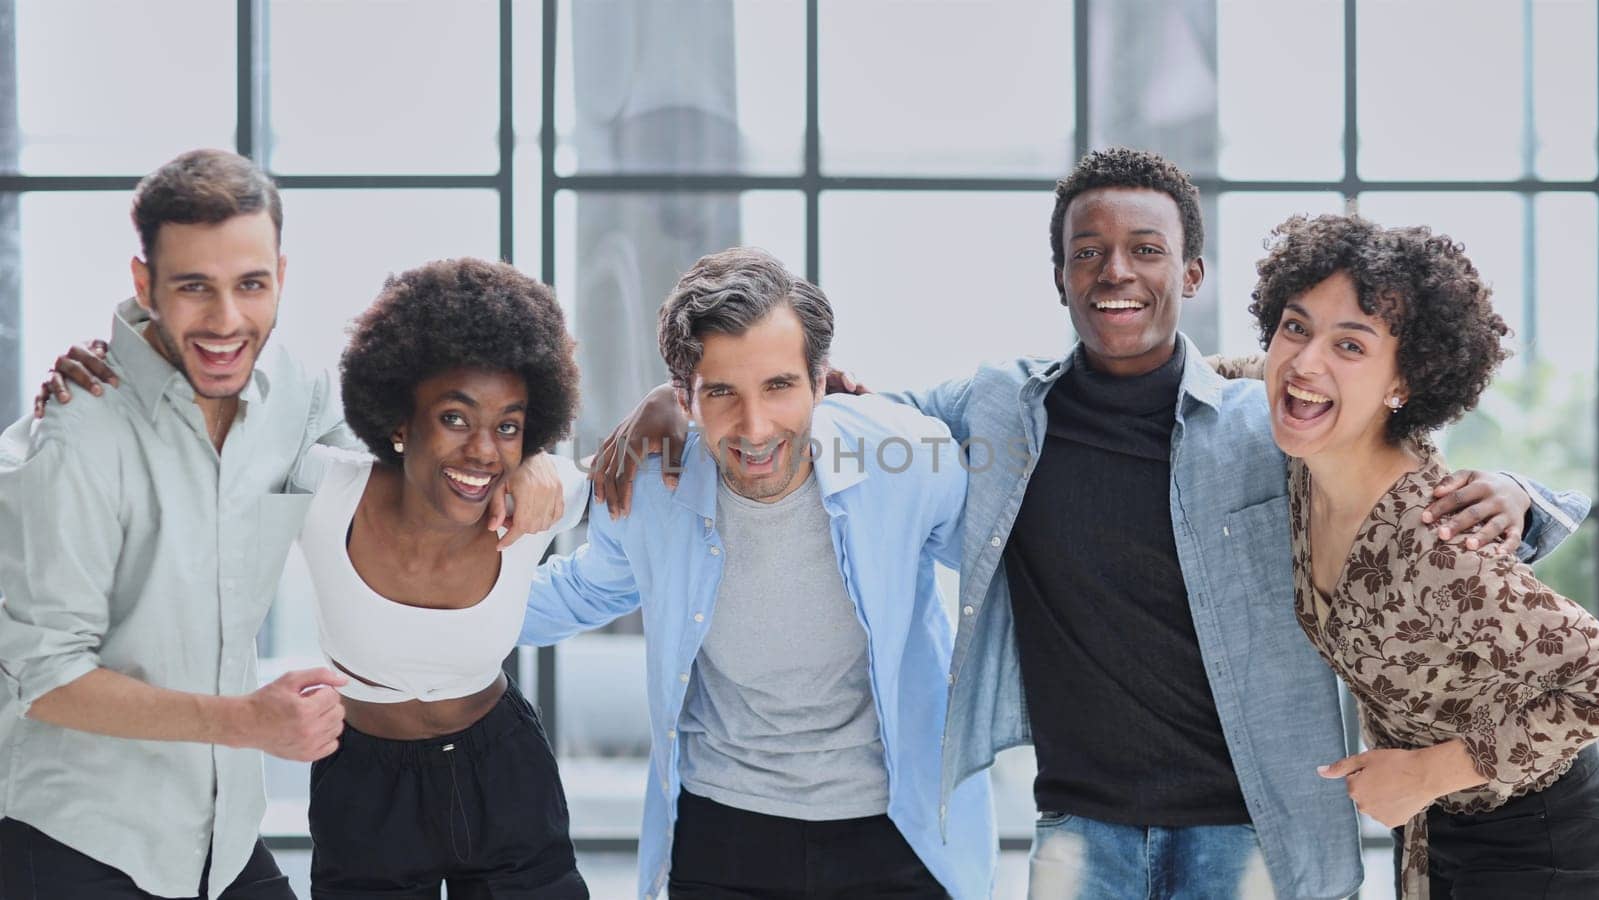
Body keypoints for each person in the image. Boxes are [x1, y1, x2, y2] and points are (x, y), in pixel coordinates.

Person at [585, 149, 1587, 899]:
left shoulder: (1263, 420)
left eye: (1145, 249)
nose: (1116, 270)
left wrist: (1526, 497)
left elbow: (1402, 467)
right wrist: (672, 399)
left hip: (1253, 825)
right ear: (1059, 274)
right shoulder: (994, 408)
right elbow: (821, 405)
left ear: (1188, 274)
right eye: (1088, 251)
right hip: (1079, 826)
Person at [3, 149, 567, 899]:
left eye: (251, 285)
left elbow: (421, 450)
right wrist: (248, 724)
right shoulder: (75, 438)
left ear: (281, 277)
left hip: (221, 837)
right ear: (144, 285)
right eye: (193, 287)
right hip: (83, 835)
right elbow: (42, 678)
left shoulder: (291, 402)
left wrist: (535, 463)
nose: (226, 319)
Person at [521, 247, 994, 899]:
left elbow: (1004, 562)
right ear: (684, 395)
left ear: (820, 380)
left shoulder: (906, 460)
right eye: (722, 392)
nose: (755, 426)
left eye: (779, 386)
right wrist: (424, 606)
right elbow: (580, 591)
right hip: (726, 835)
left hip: (897, 835)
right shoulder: (655, 487)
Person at [1249, 213, 1599, 899]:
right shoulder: (1308, 460)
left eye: (1350, 345)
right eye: (1295, 327)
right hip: (1441, 837)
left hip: (1544, 845)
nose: (1306, 362)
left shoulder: (1436, 539)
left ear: (1403, 382)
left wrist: (1428, 774)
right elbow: (1218, 375)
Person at [297, 258, 589, 898]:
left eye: (508, 427)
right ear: (399, 420)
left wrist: (543, 459)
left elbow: (629, 455)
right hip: (365, 789)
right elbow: (231, 418)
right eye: (455, 417)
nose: (484, 451)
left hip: (503, 770)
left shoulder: (535, 503)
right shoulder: (326, 496)